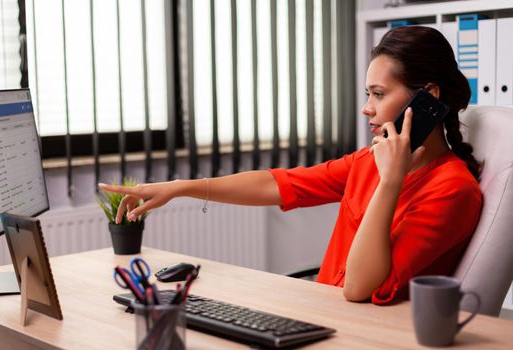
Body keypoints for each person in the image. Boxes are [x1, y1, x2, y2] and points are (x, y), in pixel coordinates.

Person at [99, 26, 483, 304]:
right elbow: (278, 184)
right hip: (322, 316)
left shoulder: (453, 191)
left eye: (378, 94)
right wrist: (181, 187)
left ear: (427, 98)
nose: (366, 108)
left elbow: (359, 288)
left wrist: (389, 183)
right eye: (368, 94)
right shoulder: (368, 161)